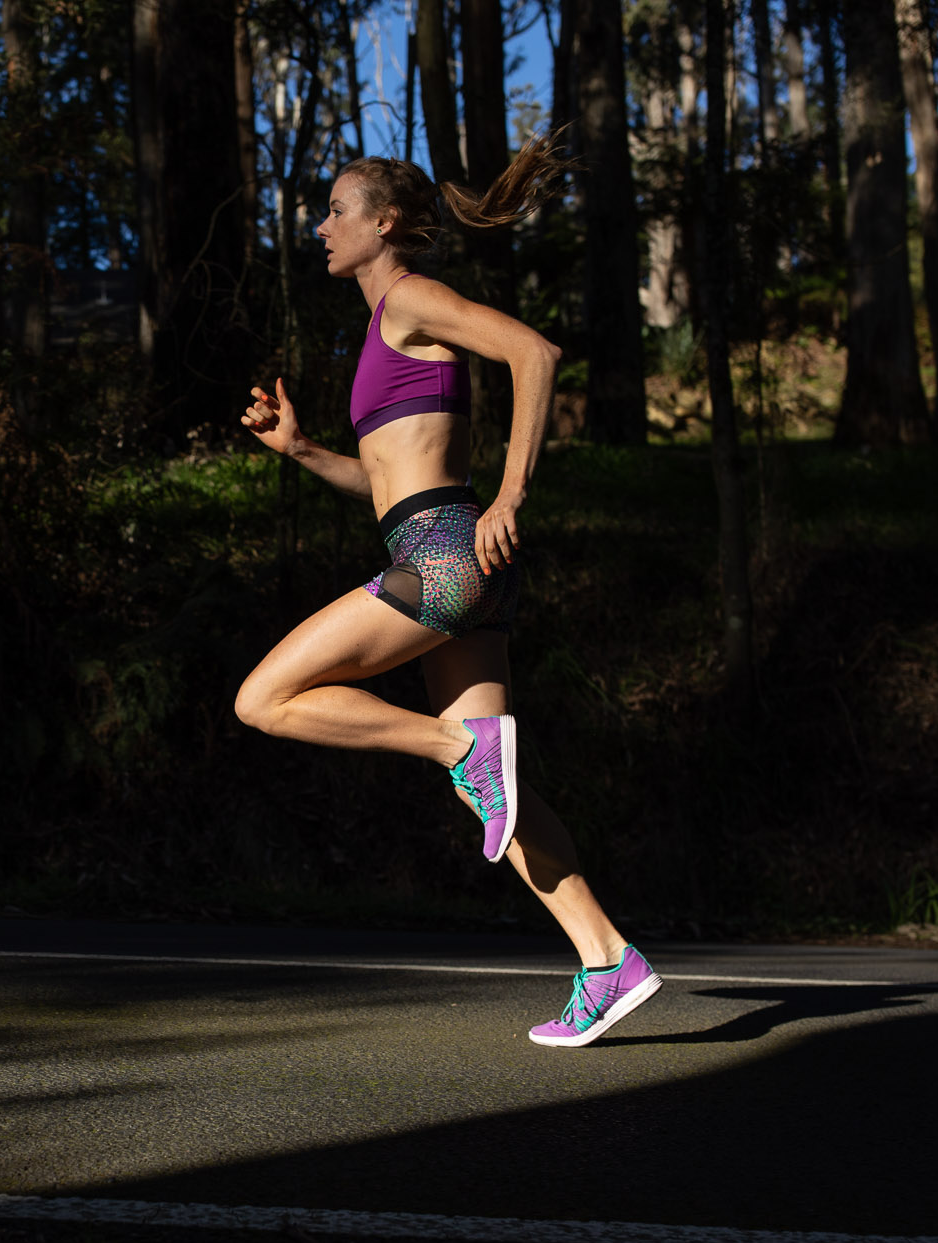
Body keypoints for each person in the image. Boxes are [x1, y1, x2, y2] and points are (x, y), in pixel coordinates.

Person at [233, 145, 660, 1048]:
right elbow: (391, 480)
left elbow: (533, 354)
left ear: (383, 223)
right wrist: (305, 453)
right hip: (440, 548)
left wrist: (512, 494)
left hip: (445, 552)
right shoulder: (386, 328)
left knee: (263, 700)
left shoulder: (412, 298)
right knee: (494, 793)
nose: (323, 224)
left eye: (339, 209)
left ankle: (452, 744)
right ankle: (605, 956)